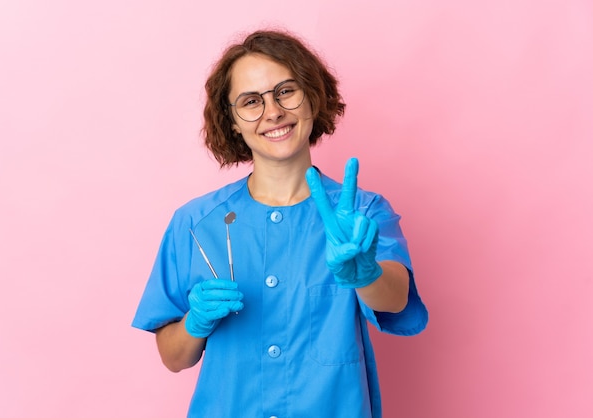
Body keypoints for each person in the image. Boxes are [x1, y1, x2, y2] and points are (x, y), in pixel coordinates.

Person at [132, 29, 428, 418]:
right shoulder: (195, 223)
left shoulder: (362, 211)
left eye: (286, 91)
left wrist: (366, 275)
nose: (272, 112)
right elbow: (173, 358)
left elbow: (396, 298)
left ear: (312, 97)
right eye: (251, 101)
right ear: (232, 121)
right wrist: (194, 322)